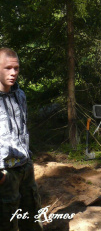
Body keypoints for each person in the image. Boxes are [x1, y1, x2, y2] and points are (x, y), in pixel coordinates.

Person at [0, 48, 43, 231]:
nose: (13, 73)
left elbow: (23, 130)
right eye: (8, 68)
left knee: (32, 220)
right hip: (5, 174)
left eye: (16, 68)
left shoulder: (20, 95)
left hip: (26, 168)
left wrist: (29, 161)